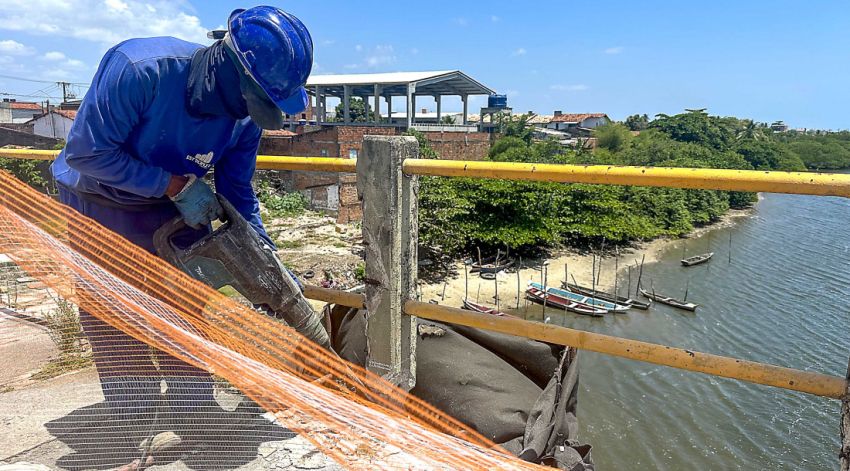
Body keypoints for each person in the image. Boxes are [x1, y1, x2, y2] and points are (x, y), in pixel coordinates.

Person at [50, 6, 312, 469]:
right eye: (253, 103)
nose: (252, 116)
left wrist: (266, 252)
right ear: (229, 70)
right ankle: (131, 413)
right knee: (112, 308)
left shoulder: (246, 120)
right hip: (97, 196)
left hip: (173, 202)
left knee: (188, 302)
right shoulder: (139, 70)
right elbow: (88, 153)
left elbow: (236, 192)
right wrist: (172, 186)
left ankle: (193, 407)